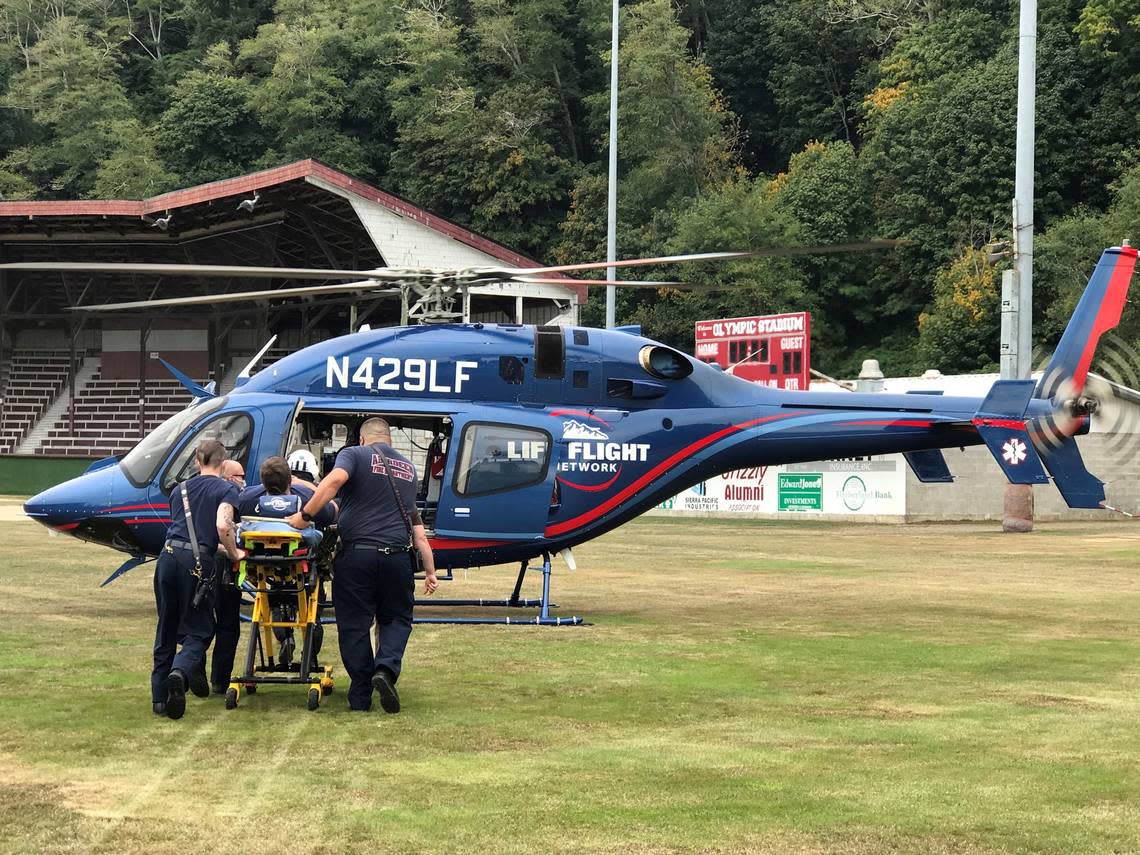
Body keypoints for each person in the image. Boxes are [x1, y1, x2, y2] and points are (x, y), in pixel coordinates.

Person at [286, 417, 438, 713]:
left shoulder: (353, 454)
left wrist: (304, 516)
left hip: (357, 555)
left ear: (363, 439)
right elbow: (416, 527)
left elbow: (334, 481)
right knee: (396, 618)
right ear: (389, 440)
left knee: (354, 624)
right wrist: (430, 571)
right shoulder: (409, 468)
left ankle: (360, 696)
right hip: (397, 556)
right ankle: (385, 669)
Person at [152, 439, 243, 720]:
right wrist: (233, 551)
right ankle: (180, 671)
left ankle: (159, 699)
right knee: (200, 630)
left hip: (167, 557)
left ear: (196, 461)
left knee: (166, 626)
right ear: (223, 461)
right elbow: (221, 525)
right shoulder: (227, 488)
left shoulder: (180, 490)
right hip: (197, 562)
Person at [207, 459, 247, 694]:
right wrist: (234, 553)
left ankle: (192, 672)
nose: (243, 480)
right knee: (228, 623)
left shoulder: (193, 490)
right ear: (229, 478)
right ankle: (220, 681)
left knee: (200, 622)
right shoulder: (229, 494)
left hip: (199, 561)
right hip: (223, 563)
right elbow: (225, 527)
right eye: (240, 475)